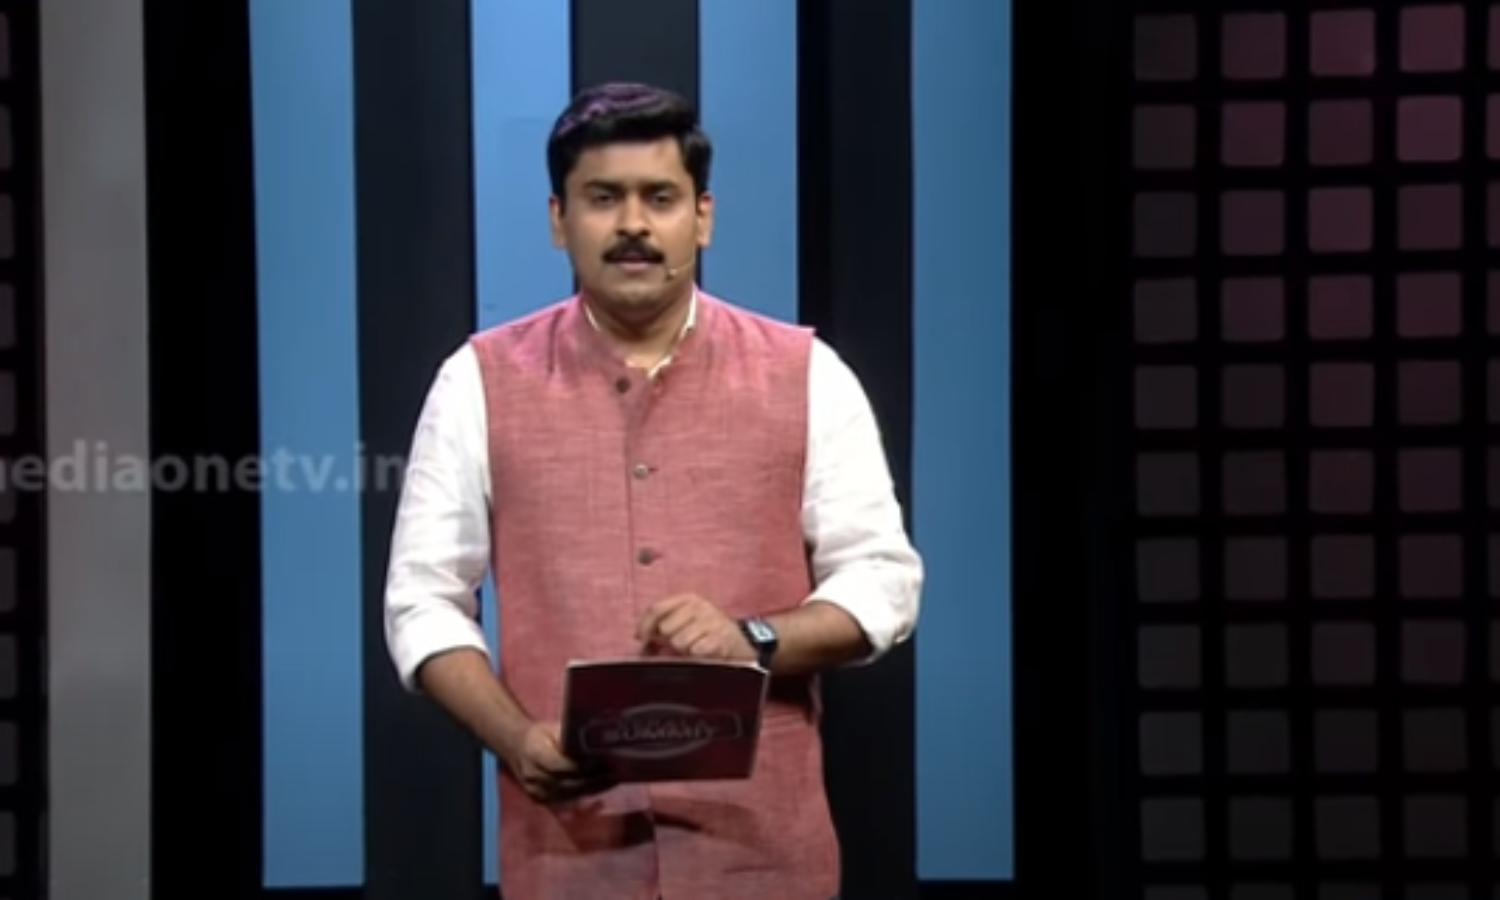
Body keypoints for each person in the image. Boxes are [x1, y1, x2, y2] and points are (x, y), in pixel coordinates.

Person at [383, 81, 922, 900]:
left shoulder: (809, 374)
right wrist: (515, 739)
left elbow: (882, 581)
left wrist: (754, 639)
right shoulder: (476, 382)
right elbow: (422, 600)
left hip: (763, 856)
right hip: (569, 857)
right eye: (603, 198)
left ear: (702, 218)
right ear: (560, 219)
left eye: (659, 198)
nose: (633, 223)